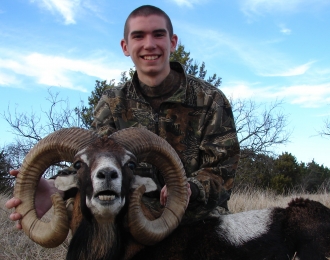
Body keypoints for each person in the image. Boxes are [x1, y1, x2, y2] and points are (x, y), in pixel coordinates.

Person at [6, 5, 240, 227]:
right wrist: (56, 186)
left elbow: (222, 172)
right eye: (138, 36)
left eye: (158, 35)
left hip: (195, 218)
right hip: (132, 220)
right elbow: (96, 159)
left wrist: (191, 188)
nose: (149, 44)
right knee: (82, 212)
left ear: (173, 42)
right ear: (125, 47)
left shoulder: (210, 99)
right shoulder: (112, 103)